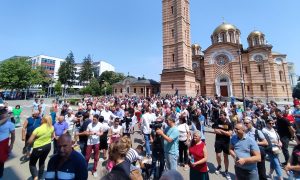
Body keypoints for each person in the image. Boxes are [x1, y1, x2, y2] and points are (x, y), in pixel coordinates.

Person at [27, 115, 54, 180]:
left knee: (32, 164)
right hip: (48, 146)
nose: (40, 120)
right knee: (42, 162)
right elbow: (52, 137)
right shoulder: (52, 127)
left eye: (42, 119)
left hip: (38, 147)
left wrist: (34, 141)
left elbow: (29, 141)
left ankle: (35, 177)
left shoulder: (38, 129)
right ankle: (40, 177)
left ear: (44, 120)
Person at [212, 111, 232, 179]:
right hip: (218, 141)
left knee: (225, 156)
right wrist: (225, 132)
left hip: (226, 142)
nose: (220, 117)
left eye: (222, 115)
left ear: (225, 116)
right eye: (220, 115)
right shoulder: (217, 121)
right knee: (218, 155)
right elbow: (215, 130)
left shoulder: (229, 123)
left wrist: (222, 131)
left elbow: (230, 134)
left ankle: (226, 171)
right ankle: (219, 166)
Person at [0, 108, 15, 179]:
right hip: (3, 145)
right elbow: (13, 135)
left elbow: (13, 135)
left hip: (3, 145)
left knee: (1, 162)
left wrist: (11, 144)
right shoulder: (10, 124)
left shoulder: (10, 124)